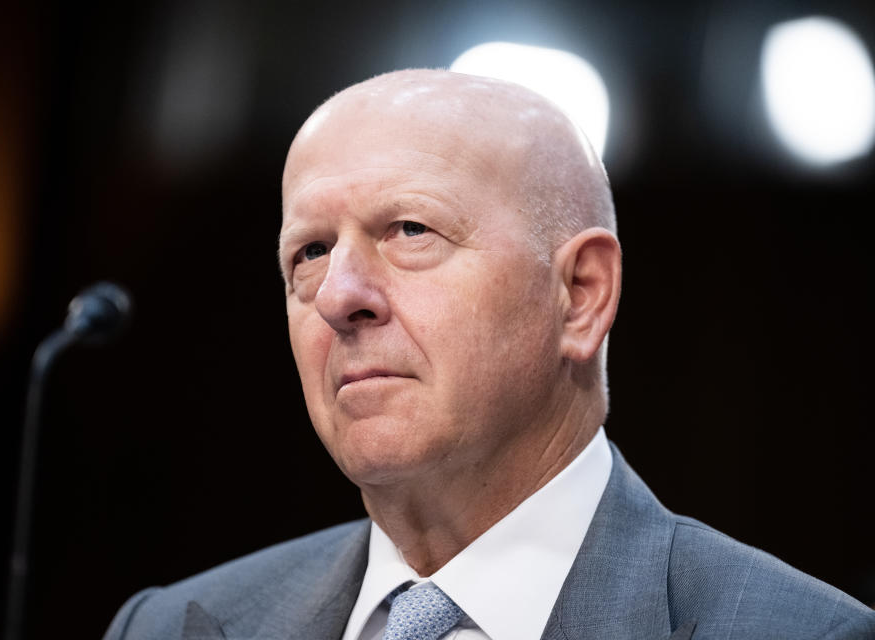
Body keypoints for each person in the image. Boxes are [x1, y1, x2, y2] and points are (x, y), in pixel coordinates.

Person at [103, 70, 875, 640]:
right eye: (308, 252)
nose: (339, 296)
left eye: (410, 230)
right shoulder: (164, 628)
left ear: (580, 294)